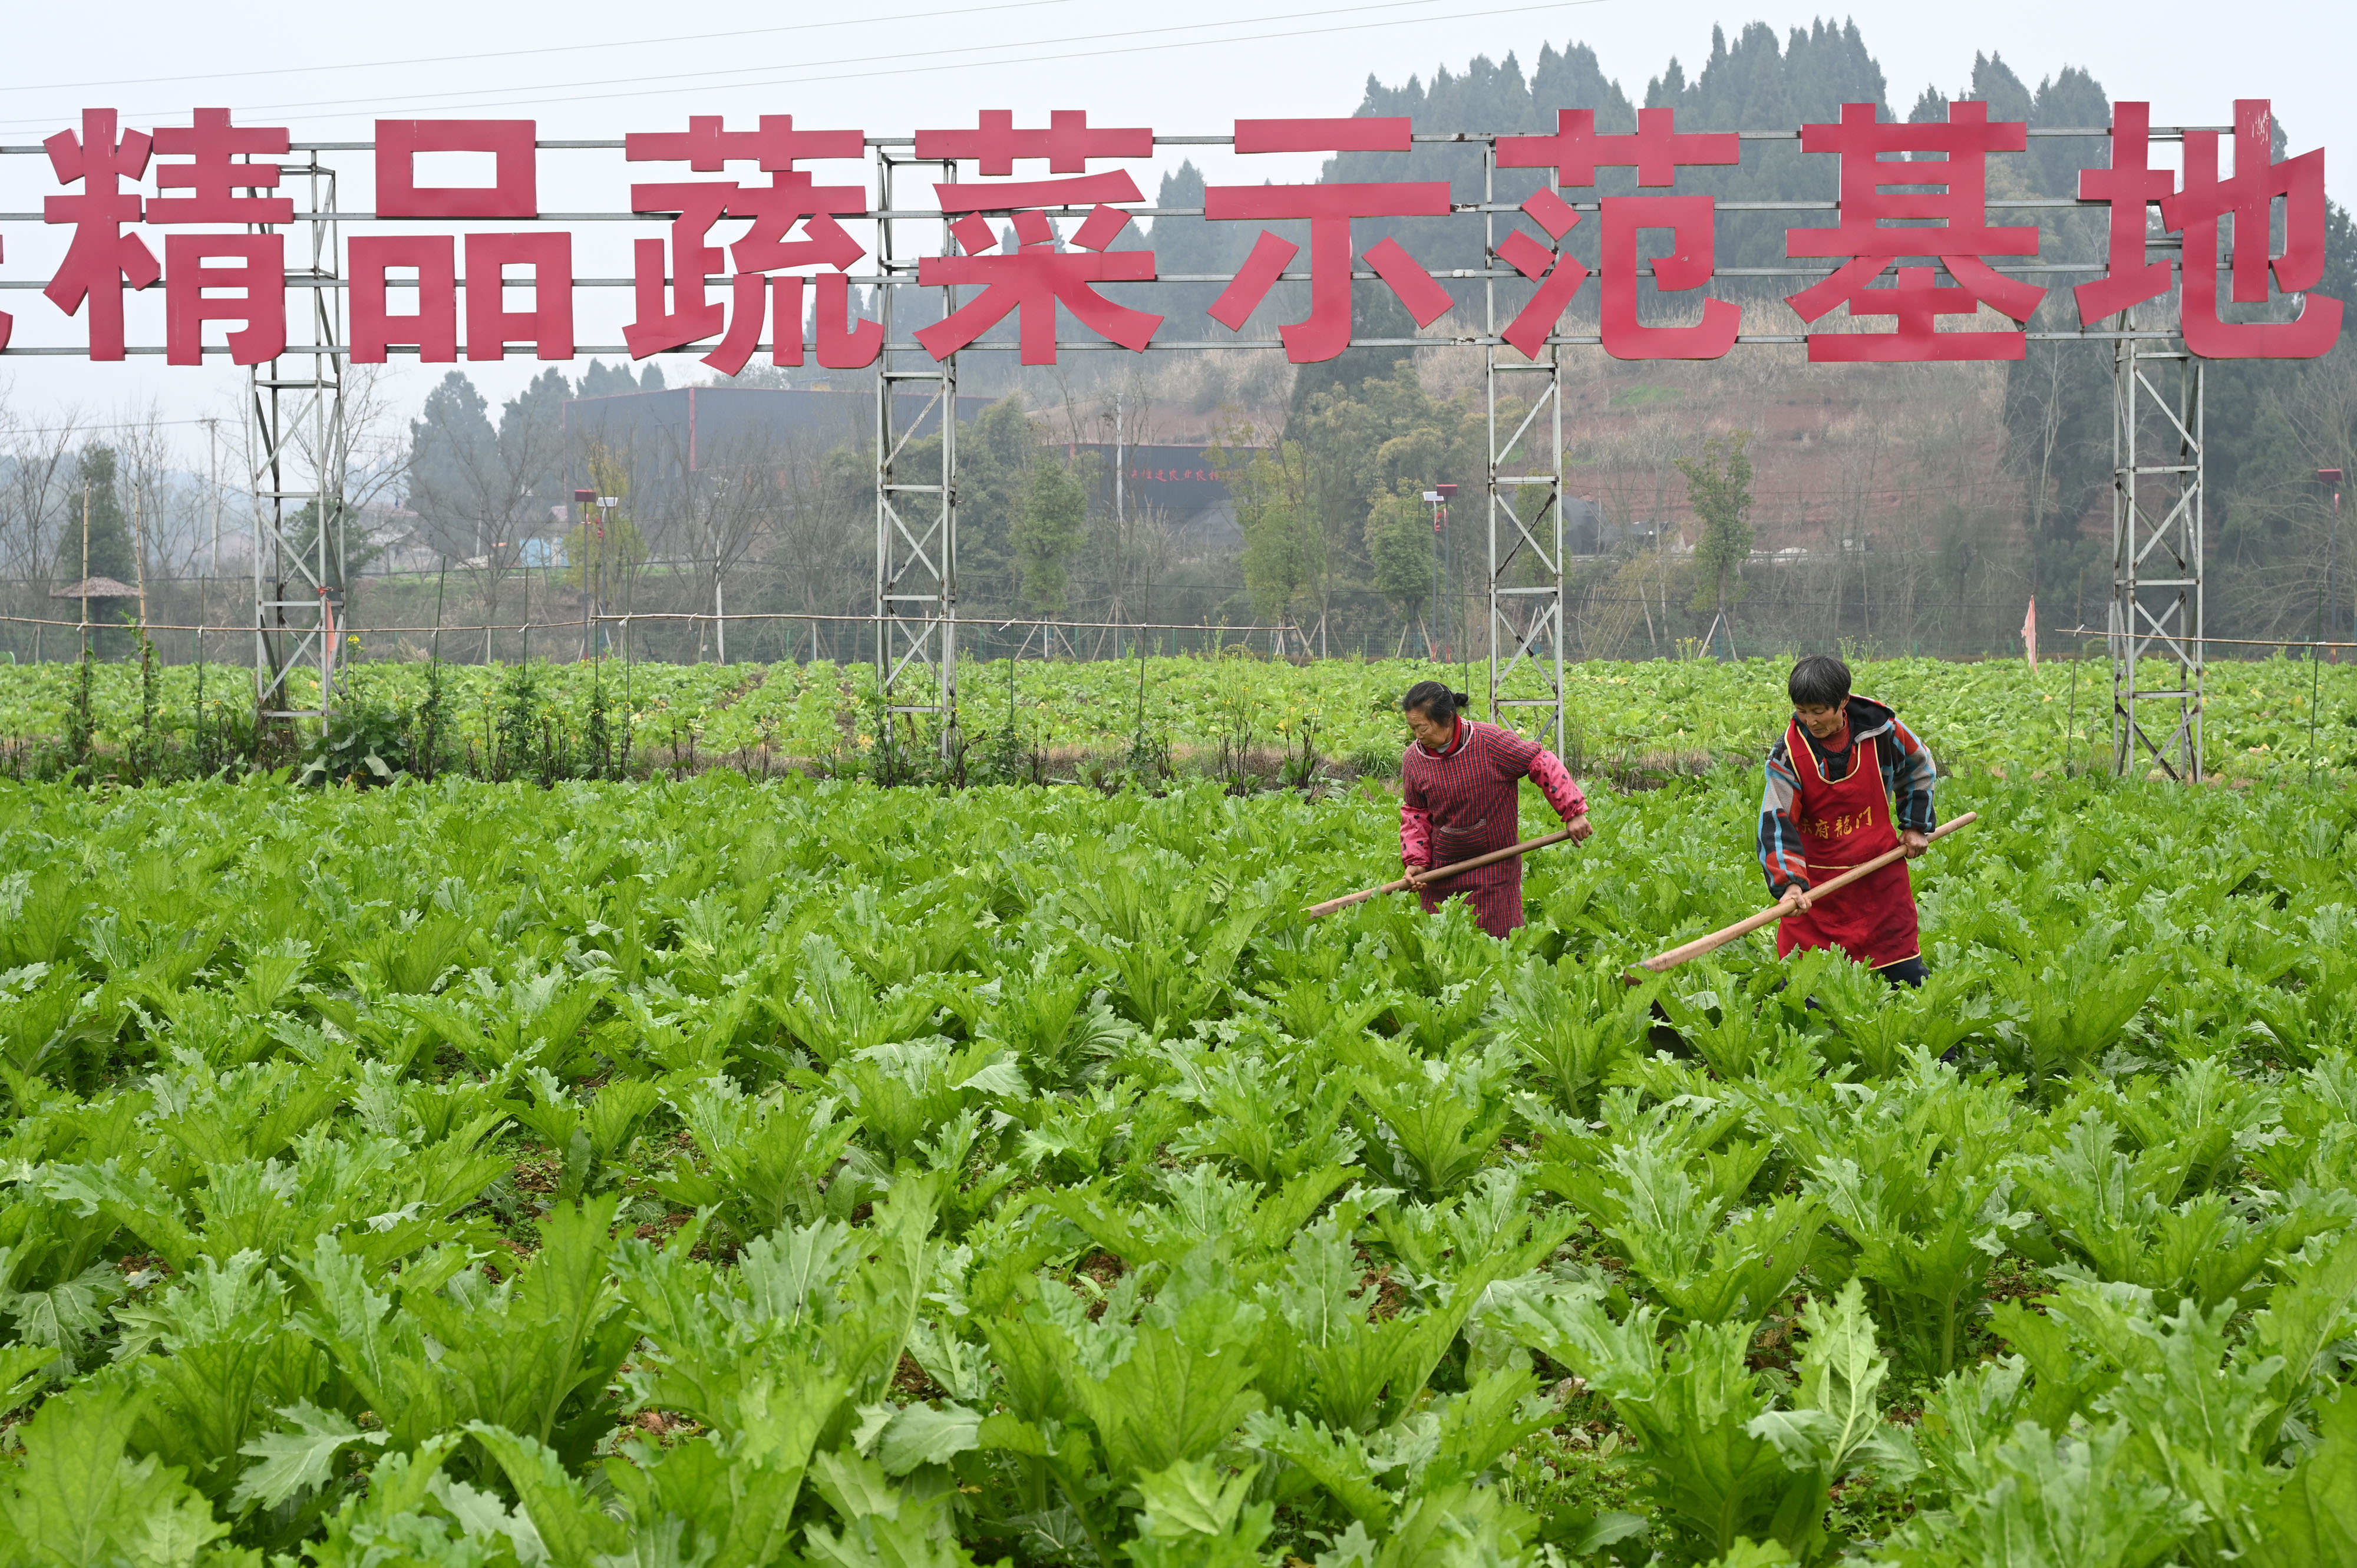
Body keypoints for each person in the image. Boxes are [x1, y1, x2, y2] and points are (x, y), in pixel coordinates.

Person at [1760, 655, 1937, 987]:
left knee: (1907, 976)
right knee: (1804, 989)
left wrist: (1914, 825)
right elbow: (1776, 818)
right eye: (1802, 711)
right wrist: (1790, 884)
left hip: (1879, 877)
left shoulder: (1883, 732)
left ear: (1843, 702)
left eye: (1818, 711)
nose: (1810, 721)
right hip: (1819, 890)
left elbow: (1919, 767)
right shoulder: (1789, 754)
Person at [1399, 681, 1593, 938]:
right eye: (1412, 728)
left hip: (1494, 868)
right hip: (1442, 872)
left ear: (1447, 718)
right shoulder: (1414, 760)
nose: (1417, 736)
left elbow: (1541, 761)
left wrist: (1574, 812)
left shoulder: (1489, 743)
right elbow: (1415, 813)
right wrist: (1417, 862)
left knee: (1501, 947)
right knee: (1446, 949)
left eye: (1421, 728)